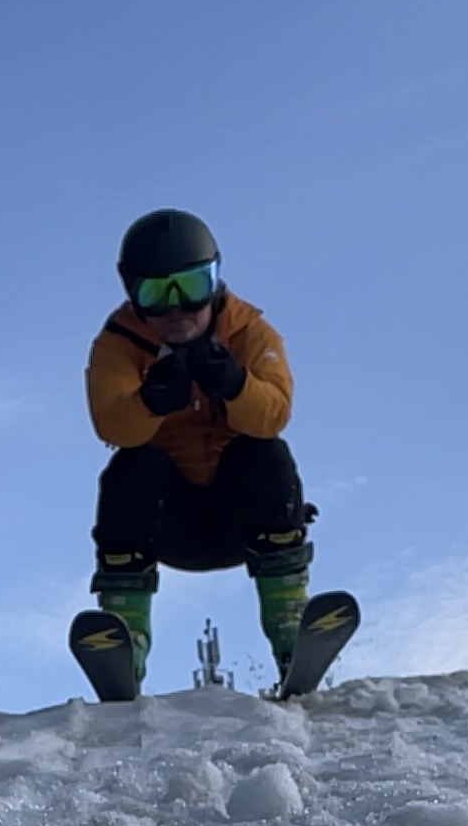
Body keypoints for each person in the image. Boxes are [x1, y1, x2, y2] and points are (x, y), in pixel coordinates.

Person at [85, 209, 313, 687]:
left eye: (191, 287)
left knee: (266, 455)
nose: (177, 311)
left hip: (244, 518)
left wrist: (234, 385)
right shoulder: (119, 345)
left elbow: (275, 412)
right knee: (131, 468)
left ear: (214, 281)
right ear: (132, 293)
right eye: (156, 294)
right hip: (165, 522)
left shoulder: (249, 333)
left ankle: (290, 625)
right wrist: (150, 401)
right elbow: (112, 423)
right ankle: (125, 636)